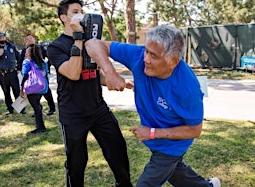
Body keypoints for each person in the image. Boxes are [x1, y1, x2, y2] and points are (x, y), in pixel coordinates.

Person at [85, 25, 221, 187]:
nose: (146, 59)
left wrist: (152, 133)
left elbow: (194, 130)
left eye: (154, 56)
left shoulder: (187, 89)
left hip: (173, 145)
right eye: (146, 51)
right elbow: (92, 44)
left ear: (173, 61)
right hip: (156, 139)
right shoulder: (138, 56)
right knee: (176, 173)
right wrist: (111, 73)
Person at [47, 0, 132, 187]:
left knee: (117, 150)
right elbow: (72, 73)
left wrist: (118, 80)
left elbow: (95, 74)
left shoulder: (90, 42)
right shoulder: (56, 46)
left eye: (81, 11)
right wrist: (78, 38)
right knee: (77, 163)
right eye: (75, 12)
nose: (81, 15)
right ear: (64, 18)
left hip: (97, 109)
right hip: (73, 114)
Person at [18, 34, 56, 116]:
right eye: (27, 39)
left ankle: (51, 108)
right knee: (35, 94)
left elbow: (48, 56)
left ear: (34, 39)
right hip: (31, 76)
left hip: (42, 75)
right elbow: (20, 60)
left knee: (47, 92)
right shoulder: (25, 50)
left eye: (30, 38)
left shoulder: (39, 48)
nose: (29, 40)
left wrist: (47, 67)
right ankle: (37, 109)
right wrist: (19, 69)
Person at [0, 32, 24, 115]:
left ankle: (21, 109)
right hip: (2, 74)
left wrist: (18, 68)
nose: (2, 39)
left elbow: (19, 57)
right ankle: (10, 109)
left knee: (17, 91)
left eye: (3, 38)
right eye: (0, 38)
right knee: (6, 92)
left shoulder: (11, 46)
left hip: (12, 72)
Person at [20, 44, 48, 134]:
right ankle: (39, 123)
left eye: (27, 51)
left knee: (36, 107)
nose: (25, 52)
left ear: (30, 53)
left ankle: (41, 126)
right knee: (37, 105)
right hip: (42, 87)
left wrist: (21, 88)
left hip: (32, 87)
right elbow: (45, 74)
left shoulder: (27, 62)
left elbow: (24, 75)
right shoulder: (44, 62)